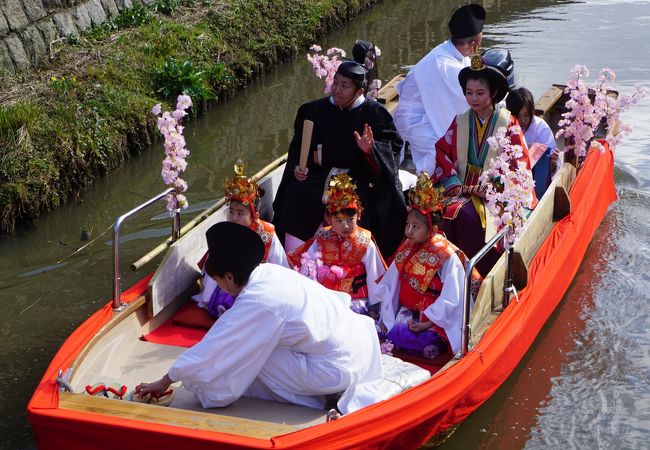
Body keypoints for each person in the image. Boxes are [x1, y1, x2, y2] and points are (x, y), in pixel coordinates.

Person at [136, 222, 385, 415]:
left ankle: (316, 399)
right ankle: (315, 390)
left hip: (337, 367)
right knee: (250, 345)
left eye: (220, 281)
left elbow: (219, 346)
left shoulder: (259, 299)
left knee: (248, 355)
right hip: (358, 344)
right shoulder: (269, 272)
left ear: (230, 277)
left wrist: (167, 379)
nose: (220, 288)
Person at [272, 61, 406, 258]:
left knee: (362, 202)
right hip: (320, 174)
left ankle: (357, 256)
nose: (337, 90)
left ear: (359, 91)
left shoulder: (375, 115)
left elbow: (391, 154)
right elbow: (299, 152)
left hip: (359, 176)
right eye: (336, 82)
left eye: (345, 86)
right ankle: (295, 256)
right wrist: (300, 170)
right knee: (295, 193)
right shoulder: (313, 111)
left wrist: (370, 151)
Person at [432, 52, 537, 276]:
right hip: (458, 186)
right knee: (431, 211)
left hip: (494, 193)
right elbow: (442, 152)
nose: (474, 99)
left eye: (480, 93)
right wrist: (455, 184)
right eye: (469, 93)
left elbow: (518, 164)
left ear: (494, 94)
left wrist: (491, 187)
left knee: (469, 218)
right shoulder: (460, 121)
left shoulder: (508, 123)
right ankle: (439, 274)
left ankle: (478, 276)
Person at [375, 173, 481, 359]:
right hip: (409, 311)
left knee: (411, 338)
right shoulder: (409, 244)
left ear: (431, 228)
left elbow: (452, 297)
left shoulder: (445, 254)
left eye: (415, 227)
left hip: (434, 317)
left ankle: (431, 341)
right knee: (392, 331)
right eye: (407, 225)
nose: (409, 231)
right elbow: (391, 281)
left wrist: (428, 321)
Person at [179, 161, 289, 327]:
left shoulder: (267, 234)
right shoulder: (225, 232)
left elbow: (281, 267)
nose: (234, 217)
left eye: (240, 213)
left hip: (257, 288)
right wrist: (207, 298)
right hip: (229, 287)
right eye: (231, 212)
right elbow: (213, 271)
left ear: (255, 215)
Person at [394, 3, 486, 175]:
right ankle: (433, 189)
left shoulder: (455, 53)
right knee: (442, 147)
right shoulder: (444, 64)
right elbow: (464, 102)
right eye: (480, 42)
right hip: (415, 119)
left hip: (429, 112)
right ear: (472, 43)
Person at [288, 173, 386, 317]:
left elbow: (374, 275)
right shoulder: (322, 237)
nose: (345, 226)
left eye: (350, 219)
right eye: (339, 220)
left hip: (356, 299)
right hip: (327, 297)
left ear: (358, 215)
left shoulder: (364, 241)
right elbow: (308, 268)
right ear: (329, 218)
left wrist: (374, 307)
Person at [506, 87, 560, 198]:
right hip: (510, 177)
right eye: (518, 116)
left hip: (534, 179)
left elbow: (551, 165)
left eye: (526, 115)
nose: (523, 120)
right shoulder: (504, 124)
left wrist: (552, 163)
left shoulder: (541, 128)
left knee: (544, 154)